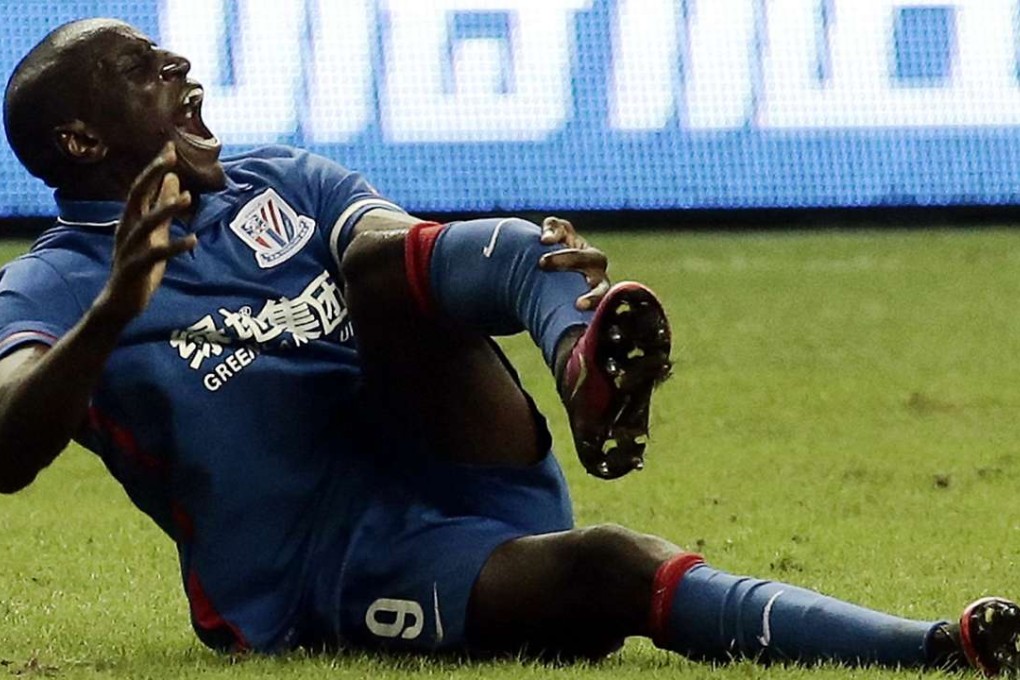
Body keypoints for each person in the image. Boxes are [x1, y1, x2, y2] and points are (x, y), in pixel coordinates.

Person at [0, 17, 1018, 675]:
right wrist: (117, 305)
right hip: (332, 572)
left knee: (396, 259)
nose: (178, 65)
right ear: (84, 142)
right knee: (613, 566)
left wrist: (536, 271)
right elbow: (7, 444)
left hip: (453, 449)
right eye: (141, 68)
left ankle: (585, 373)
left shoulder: (279, 177)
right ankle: (932, 646)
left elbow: (414, 265)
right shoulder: (49, 282)